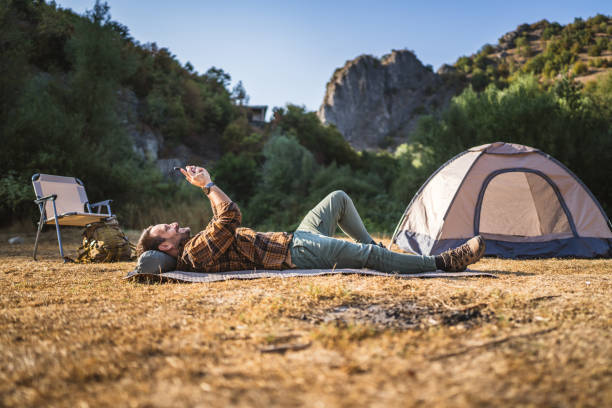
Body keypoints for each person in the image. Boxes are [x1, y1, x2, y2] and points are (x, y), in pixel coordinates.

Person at [136, 166, 485, 273]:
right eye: (163, 228)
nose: (169, 222)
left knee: (338, 199)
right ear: (165, 245)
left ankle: (377, 254)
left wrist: (210, 188)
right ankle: (442, 262)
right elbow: (229, 216)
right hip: (296, 253)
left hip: (293, 238)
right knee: (364, 257)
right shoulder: (194, 253)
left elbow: (223, 221)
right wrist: (208, 185)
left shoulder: (196, 245)